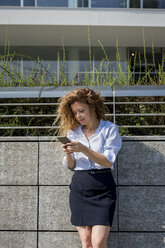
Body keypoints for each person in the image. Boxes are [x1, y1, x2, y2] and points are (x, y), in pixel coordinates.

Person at [52, 87, 122, 248]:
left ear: (93, 107)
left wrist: (83, 149)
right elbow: (72, 165)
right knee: (86, 242)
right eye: (75, 113)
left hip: (103, 188)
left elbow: (108, 161)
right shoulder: (73, 133)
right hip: (80, 188)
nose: (78, 116)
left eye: (81, 111)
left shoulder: (110, 129)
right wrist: (68, 153)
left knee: (98, 243)